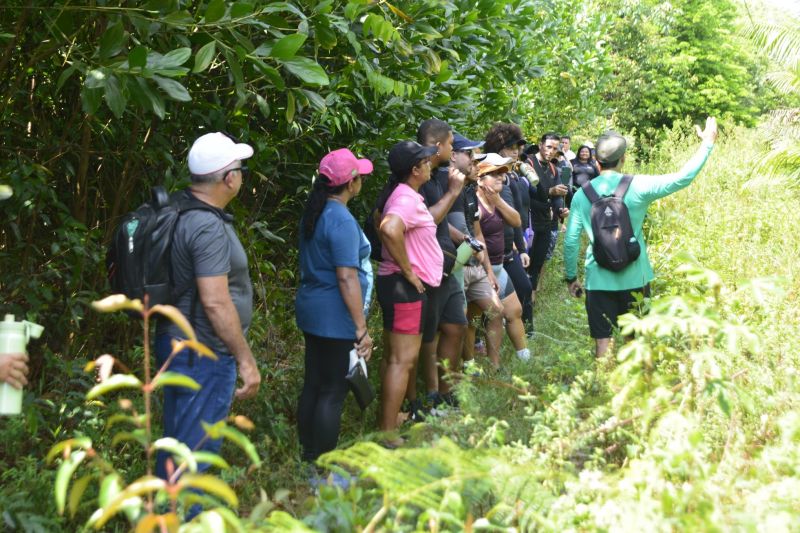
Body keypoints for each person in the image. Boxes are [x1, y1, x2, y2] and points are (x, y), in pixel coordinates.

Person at [154, 132, 262, 490]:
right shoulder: (207, 226)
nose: (242, 176)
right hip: (203, 354)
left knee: (177, 445)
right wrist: (245, 359)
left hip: (179, 344)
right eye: (240, 170)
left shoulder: (182, 208)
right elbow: (216, 302)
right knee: (194, 456)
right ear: (229, 178)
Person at [564, 117, 718, 358]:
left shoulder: (581, 196)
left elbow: (571, 240)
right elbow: (682, 178)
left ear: (596, 160)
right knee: (634, 340)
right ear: (623, 158)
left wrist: (571, 277)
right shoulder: (639, 186)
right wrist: (707, 143)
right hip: (636, 277)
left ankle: (602, 387)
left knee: (602, 343)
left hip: (598, 280)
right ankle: (634, 388)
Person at [295, 148, 374, 465]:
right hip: (335, 317)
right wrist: (361, 328)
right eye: (360, 176)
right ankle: (321, 468)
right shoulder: (340, 219)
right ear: (351, 183)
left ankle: (308, 457)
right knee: (333, 391)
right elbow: (346, 276)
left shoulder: (314, 212)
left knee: (314, 383)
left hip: (312, 311)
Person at [375, 141, 440, 433]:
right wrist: (409, 272)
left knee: (394, 358)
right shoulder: (405, 198)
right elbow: (389, 228)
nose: (430, 165)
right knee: (402, 361)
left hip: (396, 287)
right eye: (426, 161)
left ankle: (388, 419)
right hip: (404, 289)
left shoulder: (405, 194)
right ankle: (388, 432)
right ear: (415, 169)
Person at [413, 119, 467, 415]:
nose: (452, 148)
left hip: (447, 270)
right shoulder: (418, 177)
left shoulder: (439, 175)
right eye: (449, 143)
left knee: (456, 325)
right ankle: (430, 395)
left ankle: (448, 393)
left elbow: (443, 222)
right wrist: (453, 193)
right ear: (437, 146)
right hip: (427, 271)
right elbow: (427, 220)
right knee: (428, 335)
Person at [445, 134, 504, 373]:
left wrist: (489, 271)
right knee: (459, 320)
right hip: (455, 265)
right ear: (453, 156)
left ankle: (494, 366)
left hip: (475, 265)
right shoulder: (445, 187)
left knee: (495, 310)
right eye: (470, 156)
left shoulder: (469, 192)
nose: (475, 164)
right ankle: (467, 366)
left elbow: (478, 234)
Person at [474, 156, 530, 366]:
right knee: (488, 317)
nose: (501, 177)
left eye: (503, 173)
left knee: (515, 311)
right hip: (481, 271)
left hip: (499, 266)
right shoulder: (475, 204)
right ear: (480, 179)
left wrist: (497, 201)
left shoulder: (496, 199)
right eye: (495, 173)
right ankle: (491, 366)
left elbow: (516, 221)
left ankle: (525, 359)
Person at [484, 123, 534, 337]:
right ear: (498, 147)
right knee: (489, 302)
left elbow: (518, 216)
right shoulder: (489, 176)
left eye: (518, 147)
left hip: (510, 246)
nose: (516, 151)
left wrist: (521, 248)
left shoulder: (512, 176)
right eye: (511, 146)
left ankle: (527, 332)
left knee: (523, 288)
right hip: (493, 250)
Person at [528, 133, 569, 303]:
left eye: (555, 148)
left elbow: (558, 195)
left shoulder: (553, 168)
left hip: (546, 221)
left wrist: (561, 210)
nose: (552, 151)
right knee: (525, 261)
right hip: (528, 222)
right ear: (540, 145)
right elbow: (527, 194)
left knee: (538, 262)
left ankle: (531, 299)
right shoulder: (527, 164)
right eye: (549, 147)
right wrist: (549, 192)